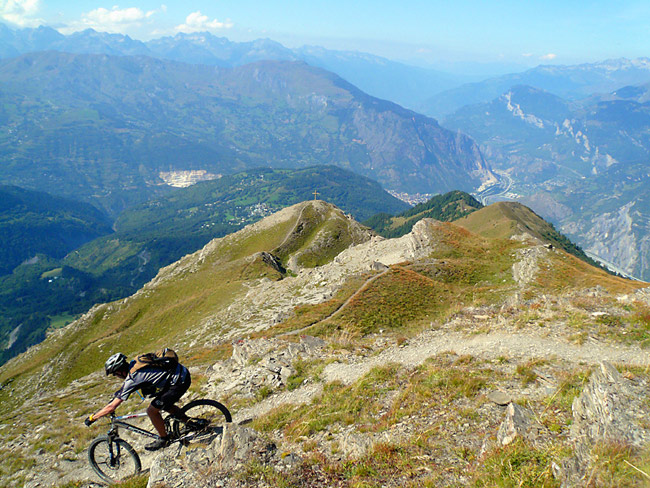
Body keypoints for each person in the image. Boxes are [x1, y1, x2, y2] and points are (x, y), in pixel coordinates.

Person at [84, 352, 192, 451]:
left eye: (115, 374)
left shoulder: (133, 378)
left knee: (151, 411)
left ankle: (164, 439)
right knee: (163, 404)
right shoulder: (136, 362)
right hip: (180, 373)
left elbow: (112, 407)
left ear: (120, 371)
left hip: (179, 381)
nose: (116, 376)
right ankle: (189, 423)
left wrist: (92, 418)